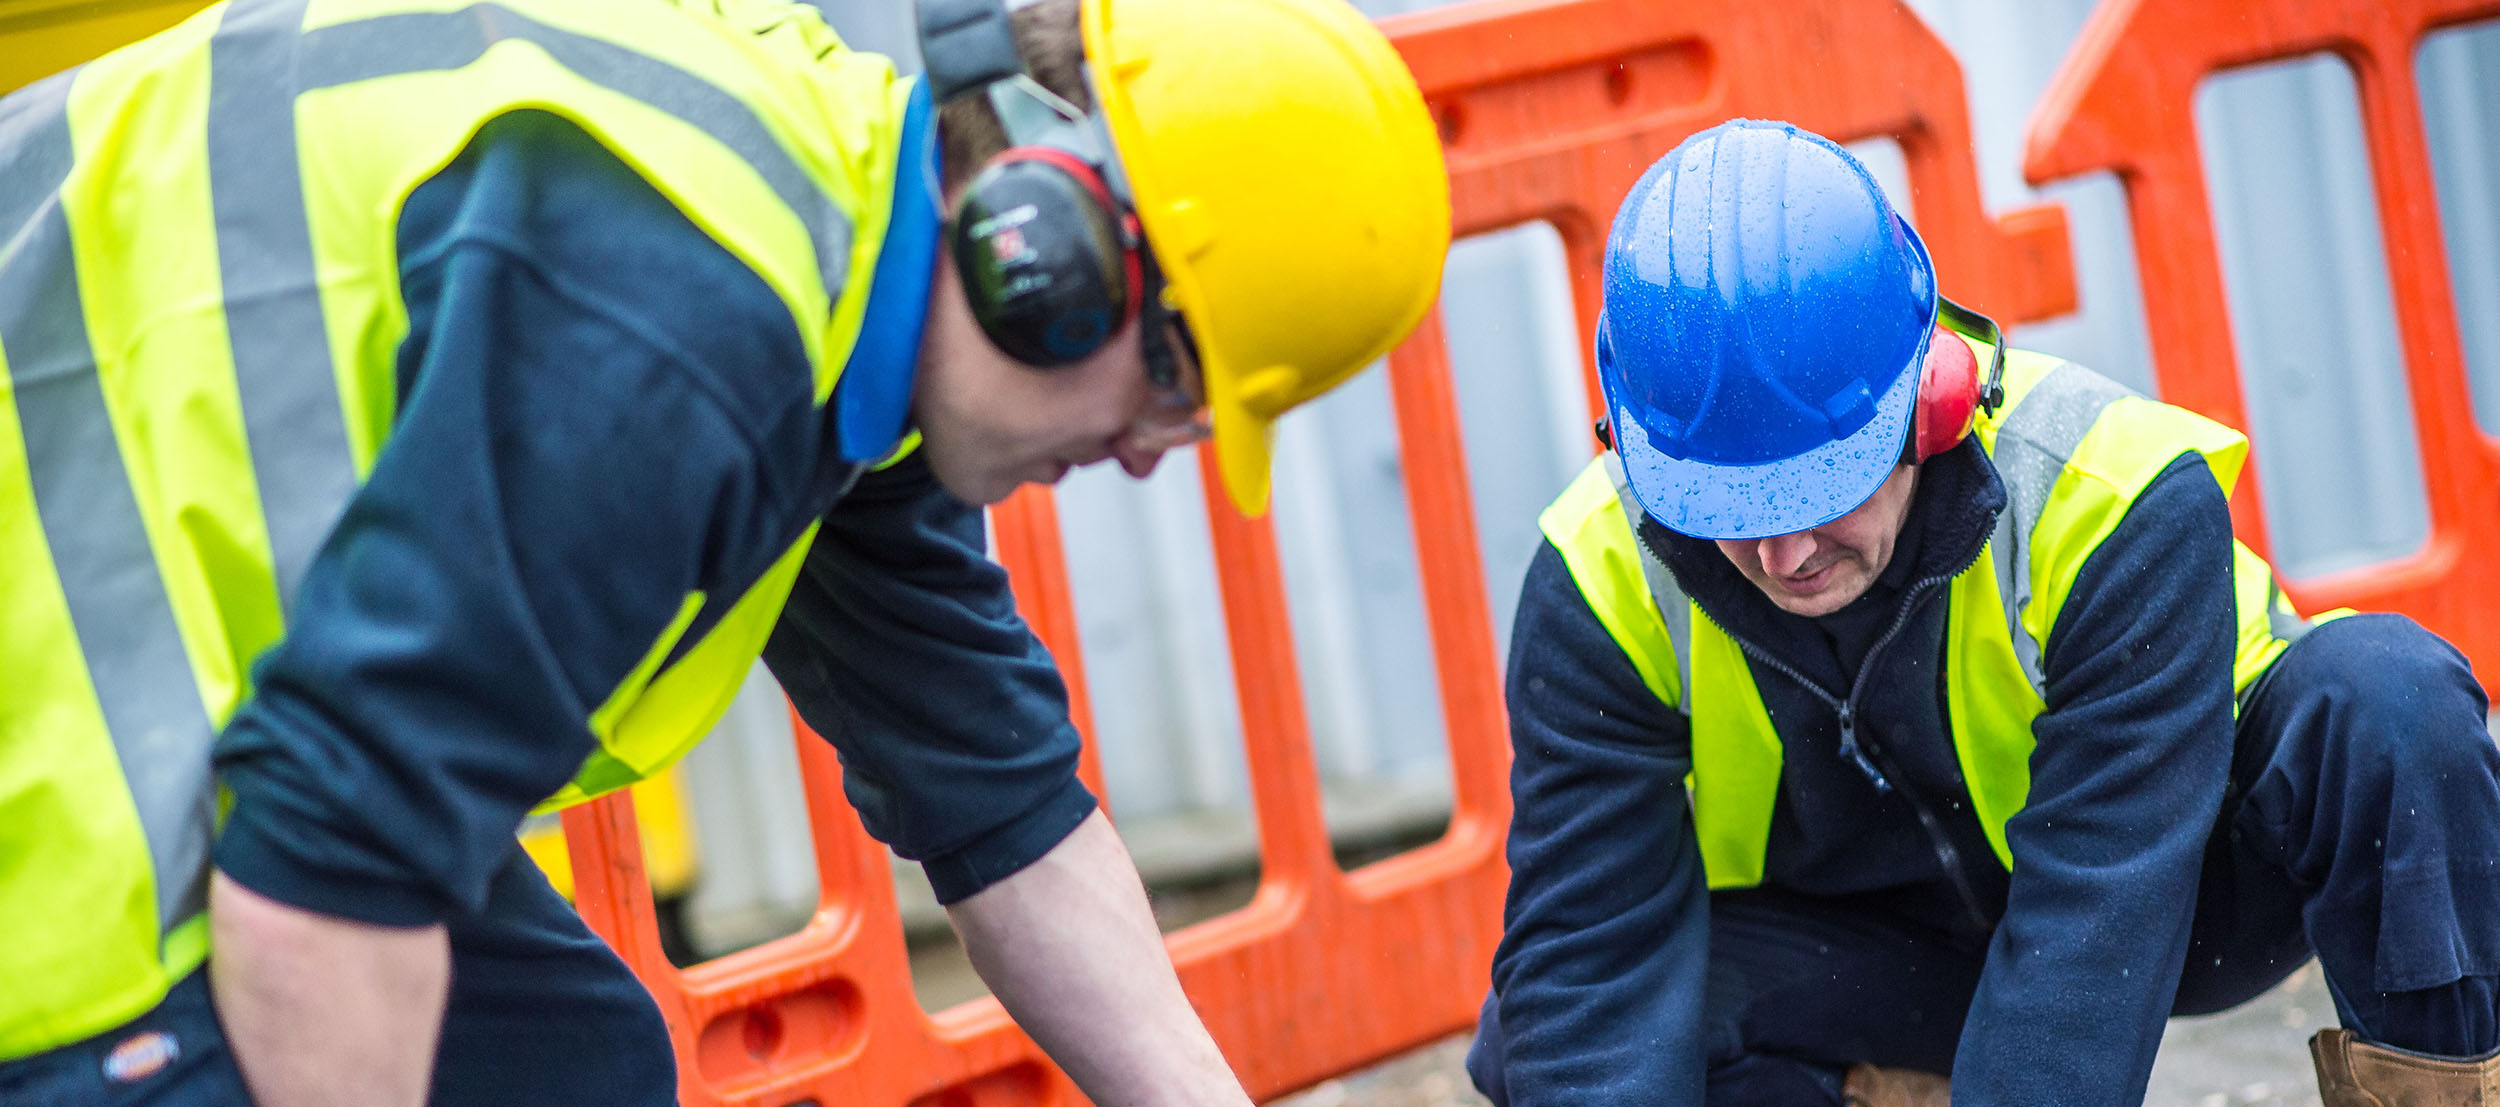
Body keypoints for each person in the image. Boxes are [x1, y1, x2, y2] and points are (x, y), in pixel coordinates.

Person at [0, 0, 1449, 1102]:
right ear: (1049, 250)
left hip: (168, 704)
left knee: (570, 1060)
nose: (1146, 449)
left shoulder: (844, 290)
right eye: (1177, 383)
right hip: (57, 804)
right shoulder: (683, 318)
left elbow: (996, 793)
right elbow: (321, 887)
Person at [1463, 118, 2500, 1107]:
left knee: (2388, 701)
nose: (1782, 556)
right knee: (1545, 1037)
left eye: (1823, 494)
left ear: (1932, 401)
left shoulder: (2112, 501)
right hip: (1881, 952)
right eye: (1725, 511)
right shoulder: (1597, 578)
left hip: (2171, 896)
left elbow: (2095, 918)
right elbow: (1588, 956)